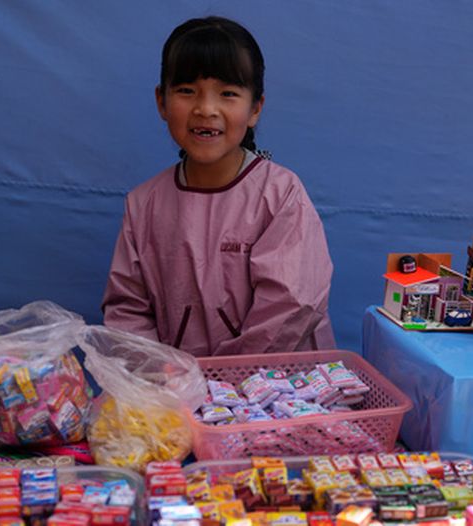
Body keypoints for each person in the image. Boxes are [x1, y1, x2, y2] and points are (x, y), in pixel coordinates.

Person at [102, 16, 335, 356]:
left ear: (255, 108)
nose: (205, 109)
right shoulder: (144, 204)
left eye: (227, 93)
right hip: (178, 396)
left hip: (276, 391)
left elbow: (292, 307)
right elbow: (127, 311)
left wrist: (226, 381)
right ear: (161, 102)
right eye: (186, 91)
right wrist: (163, 375)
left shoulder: (281, 195)